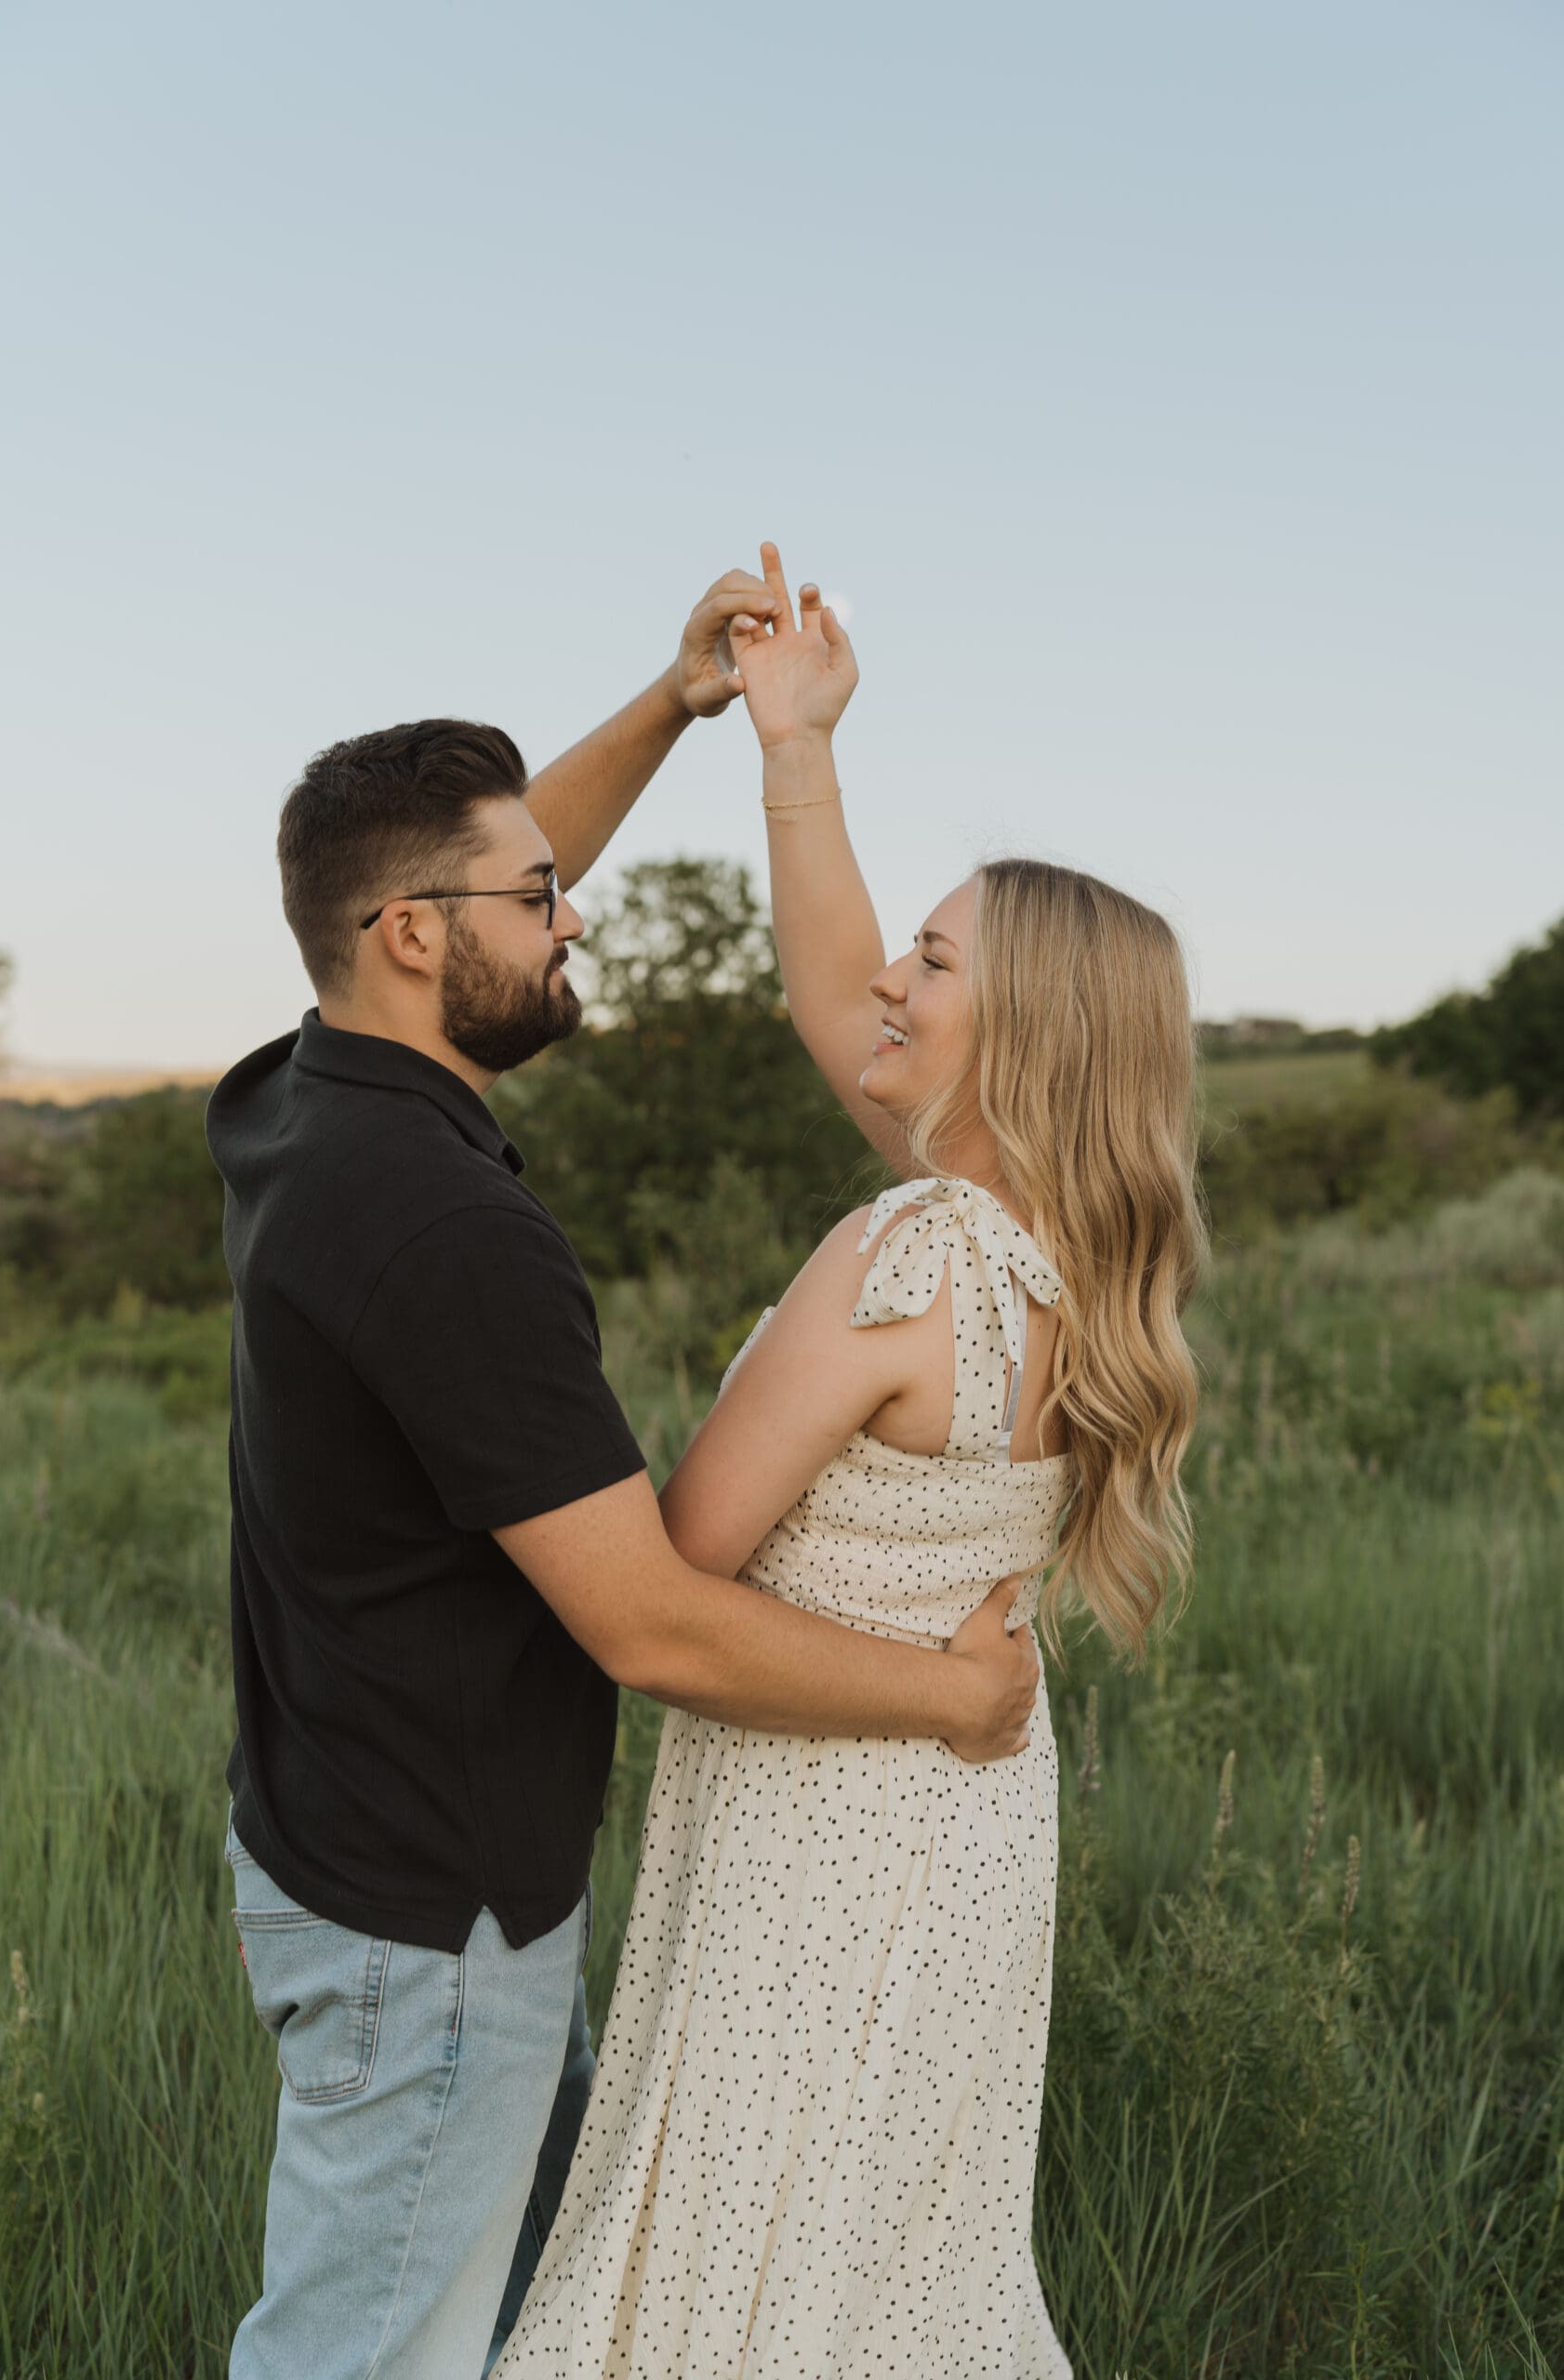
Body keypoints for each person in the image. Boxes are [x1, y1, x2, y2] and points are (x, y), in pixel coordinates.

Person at [207, 563, 1041, 2380]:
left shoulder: (299, 1093)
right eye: (536, 898)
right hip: (434, 1919)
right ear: (418, 937)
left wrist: (680, 705)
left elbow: (465, 884)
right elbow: (653, 1619)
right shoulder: (444, 1226)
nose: (568, 913)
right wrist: (959, 1693)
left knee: (520, 2301)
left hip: (359, 1839)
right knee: (368, 2348)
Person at [491, 546, 1206, 2377]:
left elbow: (681, 1557)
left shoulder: (897, 1260)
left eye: (934, 959)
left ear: (1014, 1031)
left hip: (812, 1828)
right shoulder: (1070, 1246)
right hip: (966, 1826)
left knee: (749, 2260)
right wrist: (789, 751)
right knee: (887, 2253)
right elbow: (844, 1010)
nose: (886, 972)